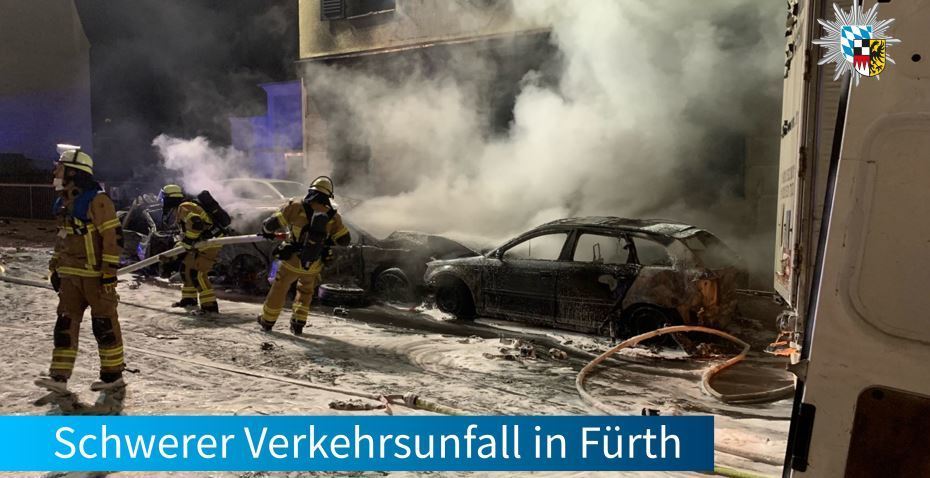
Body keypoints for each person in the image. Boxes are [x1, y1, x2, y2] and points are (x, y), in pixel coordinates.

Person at [36, 146, 126, 402]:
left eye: (60, 167)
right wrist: (55, 266)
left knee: (104, 325)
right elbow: (62, 238)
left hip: (95, 277)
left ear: (74, 172)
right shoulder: (65, 201)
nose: (55, 171)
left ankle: (112, 377)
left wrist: (109, 272)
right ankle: (59, 377)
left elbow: (113, 238)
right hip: (70, 277)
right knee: (65, 324)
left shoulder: (98, 200)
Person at [256, 176, 350, 336]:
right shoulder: (333, 215)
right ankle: (298, 323)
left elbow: (270, 225)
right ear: (328, 195)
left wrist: (267, 231)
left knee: (279, 288)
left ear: (311, 190)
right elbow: (344, 240)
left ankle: (267, 320)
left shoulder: (296, 206)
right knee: (306, 291)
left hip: (292, 261)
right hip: (314, 263)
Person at [158, 184, 222, 315]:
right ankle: (189, 300)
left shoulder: (184, 207)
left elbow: (196, 224)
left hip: (209, 243)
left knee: (197, 274)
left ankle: (209, 307)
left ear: (169, 199)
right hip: (201, 243)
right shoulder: (182, 207)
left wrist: (186, 244)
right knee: (186, 269)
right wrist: (180, 248)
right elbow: (189, 232)